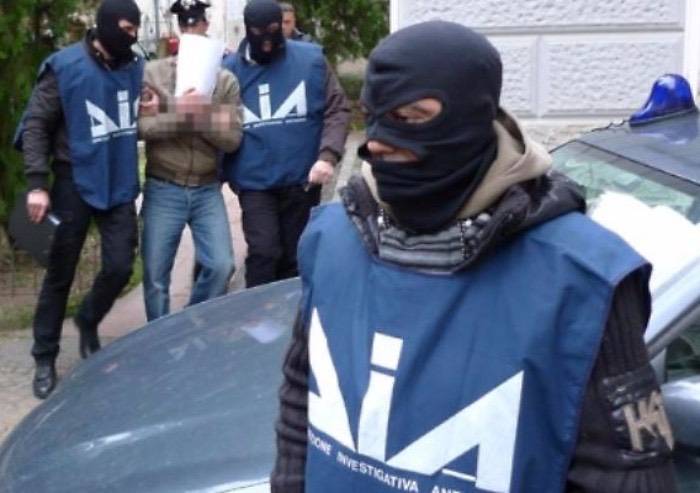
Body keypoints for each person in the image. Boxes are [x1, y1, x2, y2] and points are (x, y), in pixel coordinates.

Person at [271, 21, 677, 492]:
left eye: (412, 116)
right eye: (374, 115)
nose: (378, 141)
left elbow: (630, 476)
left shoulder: (582, 279)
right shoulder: (330, 238)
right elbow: (300, 397)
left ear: (472, 117)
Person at [15, 0, 144, 399]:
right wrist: (37, 183)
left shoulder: (133, 66)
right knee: (61, 272)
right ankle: (44, 355)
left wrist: (152, 110)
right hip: (74, 180)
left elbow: (139, 116)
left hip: (118, 177)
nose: (132, 37)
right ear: (106, 25)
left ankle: (88, 319)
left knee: (120, 266)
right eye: (126, 28)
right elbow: (36, 125)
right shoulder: (65, 67)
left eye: (135, 29)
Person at [222, 0, 350, 288]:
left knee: (296, 257)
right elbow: (215, 124)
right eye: (259, 32)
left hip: (301, 179)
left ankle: (291, 311)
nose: (267, 42)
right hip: (254, 181)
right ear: (247, 30)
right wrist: (223, 173)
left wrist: (327, 156)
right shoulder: (228, 71)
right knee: (264, 252)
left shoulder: (311, 60)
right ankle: (257, 312)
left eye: (273, 30)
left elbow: (337, 108)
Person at [138, 0, 242, 322]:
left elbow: (232, 139)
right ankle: (159, 338)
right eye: (184, 24)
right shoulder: (154, 74)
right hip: (163, 185)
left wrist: (198, 114)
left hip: (206, 187)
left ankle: (189, 323)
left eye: (196, 23)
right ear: (177, 28)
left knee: (222, 265)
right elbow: (143, 128)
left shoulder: (224, 81)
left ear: (205, 26)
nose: (190, 29)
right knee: (156, 275)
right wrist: (183, 113)